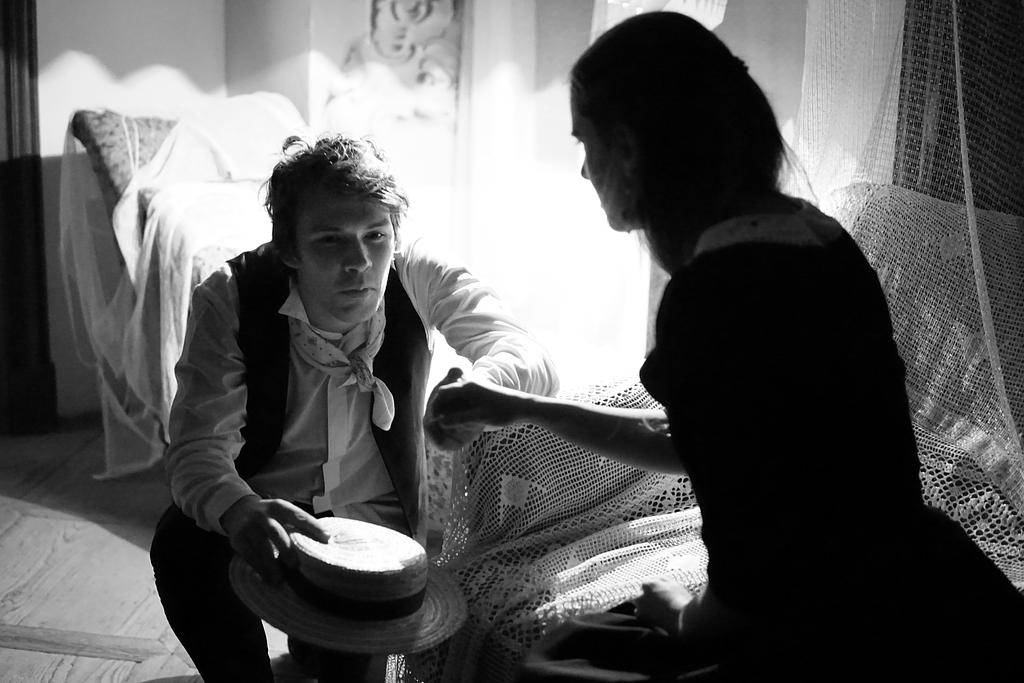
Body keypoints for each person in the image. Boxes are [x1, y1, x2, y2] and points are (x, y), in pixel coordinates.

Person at [423, 12, 1024, 682]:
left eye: (585, 143)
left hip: (830, 624)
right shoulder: (819, 237)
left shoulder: (712, 293)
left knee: (555, 664)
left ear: (627, 150)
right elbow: (702, 440)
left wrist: (683, 615)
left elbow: (753, 554)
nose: (584, 169)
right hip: (921, 576)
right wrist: (521, 406)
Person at [149, 133, 559, 683]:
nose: (360, 262)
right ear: (288, 249)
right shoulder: (230, 295)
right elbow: (196, 448)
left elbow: (529, 356)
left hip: (379, 531)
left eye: (375, 236)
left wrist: (480, 385)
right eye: (330, 240)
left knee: (344, 669)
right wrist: (239, 509)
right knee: (181, 543)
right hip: (271, 510)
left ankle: (317, 644)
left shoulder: (417, 273)